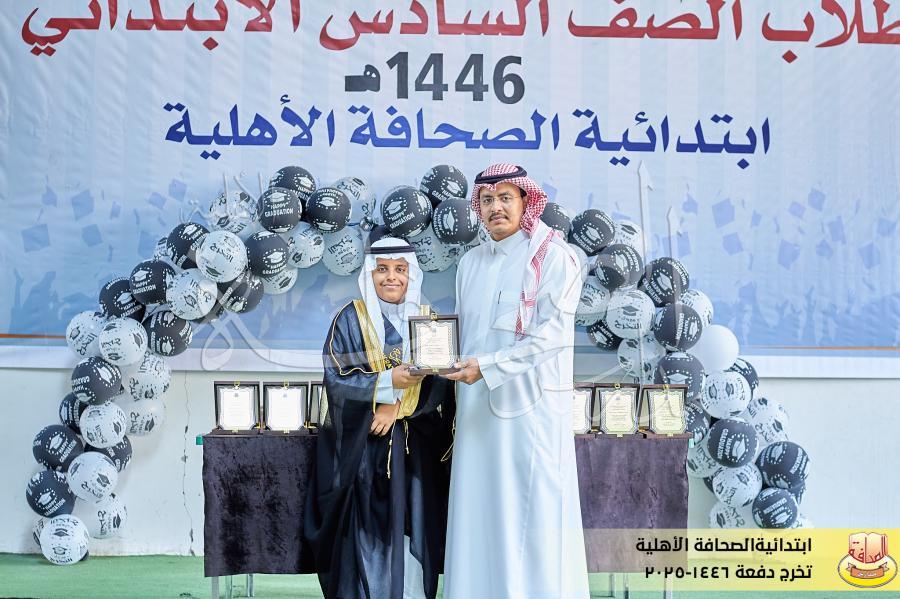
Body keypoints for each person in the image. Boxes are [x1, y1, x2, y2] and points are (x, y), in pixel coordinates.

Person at [443, 163, 590, 598]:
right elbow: (463, 337)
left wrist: (487, 367)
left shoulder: (555, 257)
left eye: (506, 198)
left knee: (533, 521)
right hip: (476, 415)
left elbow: (553, 336)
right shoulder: (470, 263)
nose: (496, 208)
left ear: (527, 202)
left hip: (531, 417)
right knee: (477, 518)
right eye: (487, 200)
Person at [305, 237, 455, 599]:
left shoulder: (429, 319)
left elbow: (440, 384)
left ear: (411, 274)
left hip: (414, 452)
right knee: (364, 534)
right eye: (382, 270)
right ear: (369, 275)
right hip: (363, 451)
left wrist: (396, 406)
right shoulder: (348, 319)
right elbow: (336, 379)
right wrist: (387, 384)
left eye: (400, 269)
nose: (391, 277)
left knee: (412, 524)